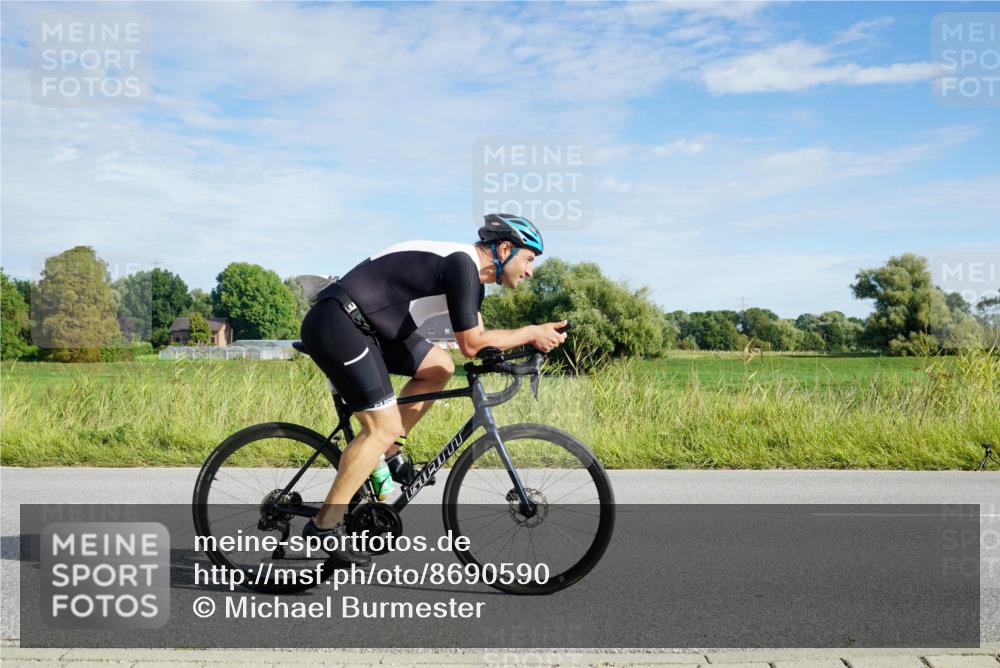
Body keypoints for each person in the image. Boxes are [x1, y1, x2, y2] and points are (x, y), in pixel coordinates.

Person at [298, 213, 567, 564]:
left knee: (439, 366)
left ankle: (386, 453)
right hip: (339, 322)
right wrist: (531, 332)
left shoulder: (472, 281)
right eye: (529, 259)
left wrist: (510, 356)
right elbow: (472, 343)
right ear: (505, 249)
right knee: (382, 427)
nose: (530, 271)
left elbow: (480, 340)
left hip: (370, 326)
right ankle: (324, 526)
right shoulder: (462, 266)